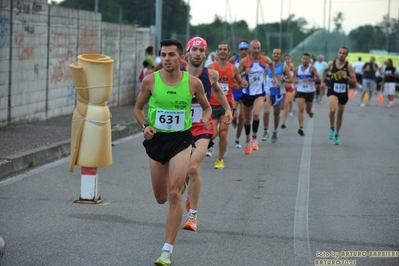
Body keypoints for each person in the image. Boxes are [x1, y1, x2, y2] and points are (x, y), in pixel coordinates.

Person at [133, 39, 212, 266]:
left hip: (181, 140)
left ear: (181, 58)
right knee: (161, 198)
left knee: (175, 194)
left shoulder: (193, 83)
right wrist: (143, 126)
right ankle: (176, 185)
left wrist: (206, 118)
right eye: (163, 55)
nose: (166, 59)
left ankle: (166, 251)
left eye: (171, 55)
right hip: (157, 141)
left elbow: (206, 107)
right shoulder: (150, 81)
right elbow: (138, 108)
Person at [182, 36, 232, 232]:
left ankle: (192, 215)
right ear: (187, 53)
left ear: (205, 54)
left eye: (201, 50)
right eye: (194, 49)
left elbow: (218, 92)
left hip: (203, 126)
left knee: (194, 168)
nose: (198, 53)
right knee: (183, 172)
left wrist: (228, 109)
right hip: (181, 128)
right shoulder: (177, 74)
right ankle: (185, 191)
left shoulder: (211, 75)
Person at [207, 42, 248, 168]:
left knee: (223, 132)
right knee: (212, 134)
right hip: (212, 105)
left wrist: (243, 83)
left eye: (225, 49)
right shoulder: (210, 67)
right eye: (220, 49)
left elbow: (239, 82)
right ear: (217, 52)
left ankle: (219, 160)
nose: (223, 51)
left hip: (227, 105)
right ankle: (213, 145)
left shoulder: (233, 68)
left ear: (229, 51)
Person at [238, 40, 277, 154]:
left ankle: (254, 139)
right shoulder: (245, 61)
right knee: (246, 119)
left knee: (256, 113)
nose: (256, 50)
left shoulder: (265, 59)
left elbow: (271, 65)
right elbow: (237, 75)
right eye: (254, 48)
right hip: (247, 93)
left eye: (258, 48)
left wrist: (273, 77)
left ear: (260, 49)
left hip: (260, 92)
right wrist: (245, 73)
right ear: (250, 49)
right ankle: (248, 139)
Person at [321, 46, 356, 145]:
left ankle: (337, 133)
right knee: (332, 110)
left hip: (343, 91)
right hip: (332, 89)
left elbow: (354, 80)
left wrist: (347, 77)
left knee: (340, 114)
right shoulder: (331, 63)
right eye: (340, 52)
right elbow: (325, 71)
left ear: (346, 55)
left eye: (343, 53)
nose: (341, 55)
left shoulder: (349, 66)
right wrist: (322, 81)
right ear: (338, 53)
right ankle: (332, 128)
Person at [262, 48, 292, 143]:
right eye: (274, 53)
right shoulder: (267, 66)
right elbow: (263, 77)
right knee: (266, 111)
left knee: (276, 115)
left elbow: (291, 80)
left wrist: (283, 80)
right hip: (269, 92)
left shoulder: (284, 67)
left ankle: (275, 131)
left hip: (278, 93)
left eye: (277, 54)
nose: (275, 55)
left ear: (281, 55)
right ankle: (266, 131)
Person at [229, 40, 250, 148]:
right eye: (241, 49)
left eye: (246, 49)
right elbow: (227, 72)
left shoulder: (251, 61)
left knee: (242, 117)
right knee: (233, 115)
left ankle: (237, 139)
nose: (243, 51)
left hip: (246, 91)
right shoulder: (233, 59)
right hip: (235, 90)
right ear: (239, 50)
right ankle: (233, 119)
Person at [294, 53, 320, 136]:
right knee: (301, 109)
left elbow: (318, 78)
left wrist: (309, 79)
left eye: (307, 59)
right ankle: (301, 128)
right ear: (301, 59)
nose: (305, 60)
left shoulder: (312, 68)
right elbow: (295, 77)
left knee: (307, 110)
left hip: (310, 91)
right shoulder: (297, 69)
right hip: (301, 91)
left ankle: (310, 112)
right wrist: (295, 82)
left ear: (309, 60)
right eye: (304, 59)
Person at [281, 54, 295, 128]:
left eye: (288, 58)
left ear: (291, 59)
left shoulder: (293, 69)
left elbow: (296, 78)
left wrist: (295, 84)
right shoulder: (282, 68)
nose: (287, 60)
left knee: (287, 103)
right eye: (286, 59)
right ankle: (286, 110)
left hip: (290, 88)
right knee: (282, 106)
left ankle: (284, 122)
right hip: (282, 88)